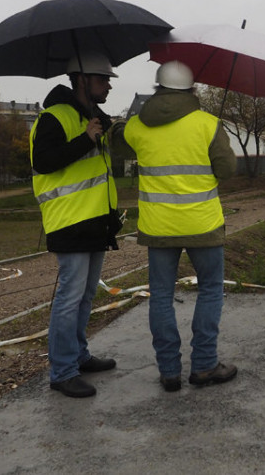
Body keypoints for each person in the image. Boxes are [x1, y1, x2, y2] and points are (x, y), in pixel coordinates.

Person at [123, 60, 237, 392]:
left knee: (161, 295)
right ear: (192, 90)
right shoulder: (208, 124)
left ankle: (169, 371)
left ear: (157, 88)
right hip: (203, 225)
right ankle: (203, 366)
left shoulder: (137, 126)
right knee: (211, 290)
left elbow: (120, 138)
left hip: (158, 228)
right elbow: (227, 170)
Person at [29, 51, 123, 398]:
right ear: (81, 80)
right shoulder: (54, 118)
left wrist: (99, 129)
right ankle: (62, 371)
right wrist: (86, 139)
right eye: (102, 79)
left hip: (96, 221)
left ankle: (79, 356)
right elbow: (44, 162)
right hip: (69, 221)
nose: (108, 86)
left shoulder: (93, 117)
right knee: (69, 298)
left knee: (85, 295)